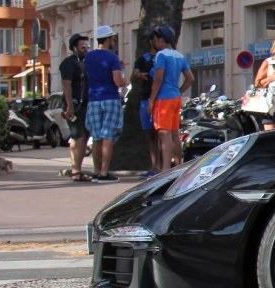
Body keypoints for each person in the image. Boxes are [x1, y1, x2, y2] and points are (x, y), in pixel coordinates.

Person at [83, 25, 126, 182]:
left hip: (94, 99)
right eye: (112, 38)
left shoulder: (89, 57)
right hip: (110, 98)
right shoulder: (112, 57)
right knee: (107, 136)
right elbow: (118, 81)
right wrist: (124, 79)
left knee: (96, 137)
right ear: (108, 39)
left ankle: (96, 170)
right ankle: (104, 172)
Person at [149, 24, 195, 170]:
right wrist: (179, 91)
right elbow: (190, 78)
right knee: (175, 134)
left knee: (164, 134)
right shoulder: (179, 55)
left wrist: (151, 100)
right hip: (175, 98)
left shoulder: (161, 55)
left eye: (156, 39)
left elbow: (158, 78)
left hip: (163, 98)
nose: (155, 42)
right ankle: (178, 166)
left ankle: (165, 169)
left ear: (161, 39)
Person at [59, 32, 91, 182]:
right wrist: (70, 105)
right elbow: (67, 84)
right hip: (75, 105)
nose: (86, 49)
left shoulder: (85, 62)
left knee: (80, 136)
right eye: (83, 46)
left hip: (85, 104)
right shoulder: (69, 63)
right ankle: (76, 171)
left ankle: (75, 168)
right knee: (80, 136)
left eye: (87, 46)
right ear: (75, 47)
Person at [129, 31, 161, 176]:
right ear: (151, 41)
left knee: (163, 133)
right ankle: (154, 166)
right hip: (146, 99)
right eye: (156, 39)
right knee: (151, 135)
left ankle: (164, 166)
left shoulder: (165, 57)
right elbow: (133, 77)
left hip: (162, 99)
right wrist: (139, 75)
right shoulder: (143, 59)